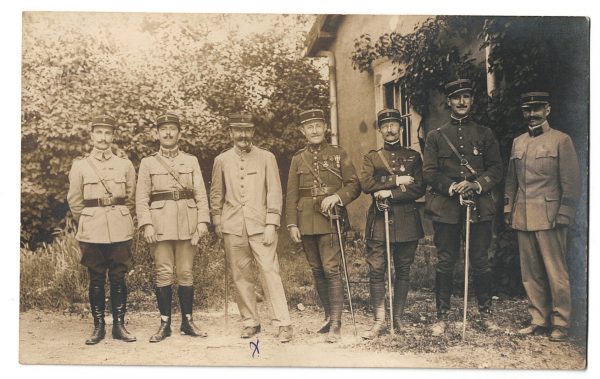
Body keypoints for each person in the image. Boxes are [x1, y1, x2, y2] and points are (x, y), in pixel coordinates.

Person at [422, 79, 503, 336]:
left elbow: (496, 169)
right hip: (446, 207)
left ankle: (486, 314)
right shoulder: (436, 136)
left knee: (480, 261)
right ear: (449, 101)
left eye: (466, 97)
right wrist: (452, 186)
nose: (461, 102)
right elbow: (429, 172)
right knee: (445, 261)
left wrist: (476, 185)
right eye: (456, 97)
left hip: (478, 205)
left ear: (472, 100)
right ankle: (441, 316)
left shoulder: (485, 134)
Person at [210, 111, 293, 342]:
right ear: (231, 133)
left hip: (261, 226)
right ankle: (250, 321)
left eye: (247, 130)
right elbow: (216, 193)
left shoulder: (267, 158)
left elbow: (275, 192)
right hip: (232, 226)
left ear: (253, 132)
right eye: (238, 130)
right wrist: (217, 221)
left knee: (269, 271)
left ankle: (283, 323)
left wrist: (271, 223)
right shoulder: (222, 160)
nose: (243, 135)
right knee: (240, 276)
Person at [504, 92, 580, 342]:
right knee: (530, 272)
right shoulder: (518, 142)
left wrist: (565, 212)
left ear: (548, 109)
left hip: (550, 216)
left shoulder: (561, 140)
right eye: (527, 110)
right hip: (523, 214)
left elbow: (571, 182)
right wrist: (508, 209)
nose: (532, 115)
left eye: (537, 109)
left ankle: (561, 322)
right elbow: (511, 181)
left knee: (555, 271)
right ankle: (539, 319)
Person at [285, 108, 361, 343]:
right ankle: (329, 316)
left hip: (331, 217)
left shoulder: (338, 154)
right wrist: (291, 224)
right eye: (310, 127)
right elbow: (291, 194)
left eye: (318, 125)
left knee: (331, 269)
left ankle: (337, 323)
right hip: (306, 219)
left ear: (325, 127)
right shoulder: (298, 158)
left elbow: (354, 184)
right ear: (303, 131)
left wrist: (337, 197)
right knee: (317, 270)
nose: (315, 130)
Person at [136, 113, 211, 342]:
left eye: (172, 129)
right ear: (156, 133)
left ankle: (187, 321)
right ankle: (165, 324)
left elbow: (200, 193)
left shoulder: (191, 161)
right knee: (163, 272)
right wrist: (146, 224)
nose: (168, 133)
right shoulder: (148, 163)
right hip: (159, 225)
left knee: (186, 272)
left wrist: (202, 221)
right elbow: (141, 198)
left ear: (179, 133)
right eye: (163, 129)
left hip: (187, 223)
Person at [67, 114, 137, 345]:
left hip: (119, 228)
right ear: (91, 135)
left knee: (119, 277)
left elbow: (130, 198)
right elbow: (75, 201)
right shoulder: (80, 166)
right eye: (99, 132)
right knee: (96, 278)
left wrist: (117, 216)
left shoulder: (125, 164)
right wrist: (88, 219)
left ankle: (119, 325)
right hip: (92, 229)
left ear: (113, 136)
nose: (103, 138)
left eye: (108, 133)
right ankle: (98, 327)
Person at [358, 108, 425, 339]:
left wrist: (389, 193)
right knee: (376, 269)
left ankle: (398, 318)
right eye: (385, 126)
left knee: (403, 270)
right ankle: (379, 320)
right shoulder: (372, 157)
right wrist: (396, 180)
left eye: (394, 125)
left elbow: (418, 187)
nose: (389, 129)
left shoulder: (413, 157)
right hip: (379, 220)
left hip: (406, 220)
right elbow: (366, 183)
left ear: (401, 128)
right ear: (380, 130)